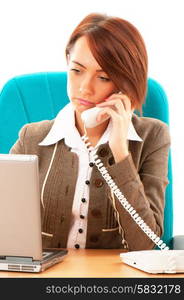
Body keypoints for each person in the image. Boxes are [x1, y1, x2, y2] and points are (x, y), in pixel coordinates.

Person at [10, 13, 170, 251]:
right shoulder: (31, 138)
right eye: (77, 70)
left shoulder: (152, 136)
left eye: (103, 77)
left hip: (115, 284)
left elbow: (146, 245)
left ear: (125, 84)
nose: (85, 87)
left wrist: (120, 153)